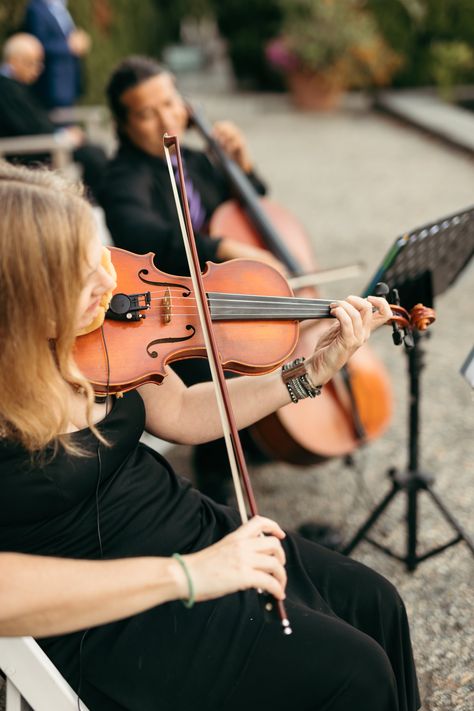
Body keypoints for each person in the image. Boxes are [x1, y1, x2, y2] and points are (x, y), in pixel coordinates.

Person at [0, 162, 420, 711]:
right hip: (108, 610)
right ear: (24, 298)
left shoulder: (95, 333)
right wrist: (190, 574)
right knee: (354, 674)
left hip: (184, 527)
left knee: (377, 601)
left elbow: (180, 411)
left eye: (99, 255)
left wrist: (305, 374)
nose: (111, 282)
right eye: (82, 275)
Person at [100, 55, 288, 501]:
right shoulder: (122, 177)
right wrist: (221, 249)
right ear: (125, 124)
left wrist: (241, 165)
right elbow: (147, 235)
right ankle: (215, 471)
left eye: (170, 102)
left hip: (214, 294)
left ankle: (256, 431)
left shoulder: (198, 160)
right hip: (166, 310)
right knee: (212, 362)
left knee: (267, 334)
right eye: (147, 113)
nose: (166, 118)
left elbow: (247, 209)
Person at [0, 33, 106, 201]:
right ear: (15, 61)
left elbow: (35, 119)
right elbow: (28, 127)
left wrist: (64, 133)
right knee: (93, 157)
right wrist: (63, 136)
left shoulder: (16, 85)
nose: (38, 68)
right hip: (30, 151)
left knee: (95, 151)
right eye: (32, 63)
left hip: (42, 143)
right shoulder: (6, 89)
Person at [21, 0, 90, 109]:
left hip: (69, 83)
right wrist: (69, 47)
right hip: (52, 85)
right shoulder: (36, 9)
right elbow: (38, 44)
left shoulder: (61, 8)